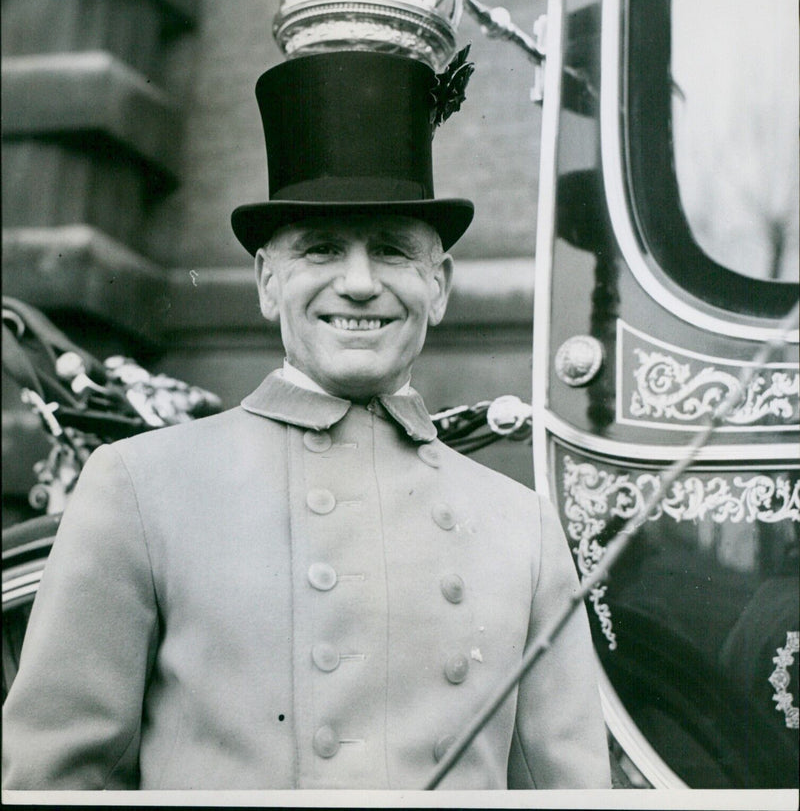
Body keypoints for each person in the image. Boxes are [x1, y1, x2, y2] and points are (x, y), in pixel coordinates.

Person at [2, 51, 611, 791]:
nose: (358, 284)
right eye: (321, 249)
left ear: (439, 286)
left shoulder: (522, 526)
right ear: (267, 281)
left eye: (390, 251)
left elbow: (575, 802)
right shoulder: (139, 486)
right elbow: (49, 784)